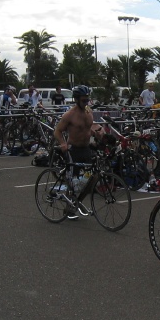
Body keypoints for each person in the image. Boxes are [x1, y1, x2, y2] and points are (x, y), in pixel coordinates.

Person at [53, 85, 104, 219]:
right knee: (73, 182)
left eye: (87, 100)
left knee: (92, 179)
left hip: (86, 148)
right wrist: (63, 143)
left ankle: (77, 202)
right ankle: (69, 208)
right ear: (76, 100)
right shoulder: (70, 115)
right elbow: (57, 131)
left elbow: (87, 129)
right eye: (83, 100)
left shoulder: (88, 112)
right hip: (73, 149)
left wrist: (96, 134)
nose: (86, 102)